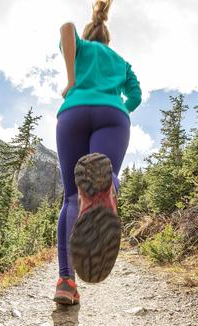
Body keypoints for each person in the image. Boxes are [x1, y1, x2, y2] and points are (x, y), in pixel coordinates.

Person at [54, 0, 142, 305]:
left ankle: (66, 282)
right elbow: (136, 95)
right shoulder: (120, 61)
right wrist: (120, 108)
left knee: (70, 198)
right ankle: (105, 190)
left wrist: (72, 81)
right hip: (112, 116)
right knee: (107, 175)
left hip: (73, 113)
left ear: (90, 35)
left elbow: (66, 28)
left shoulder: (81, 49)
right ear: (107, 38)